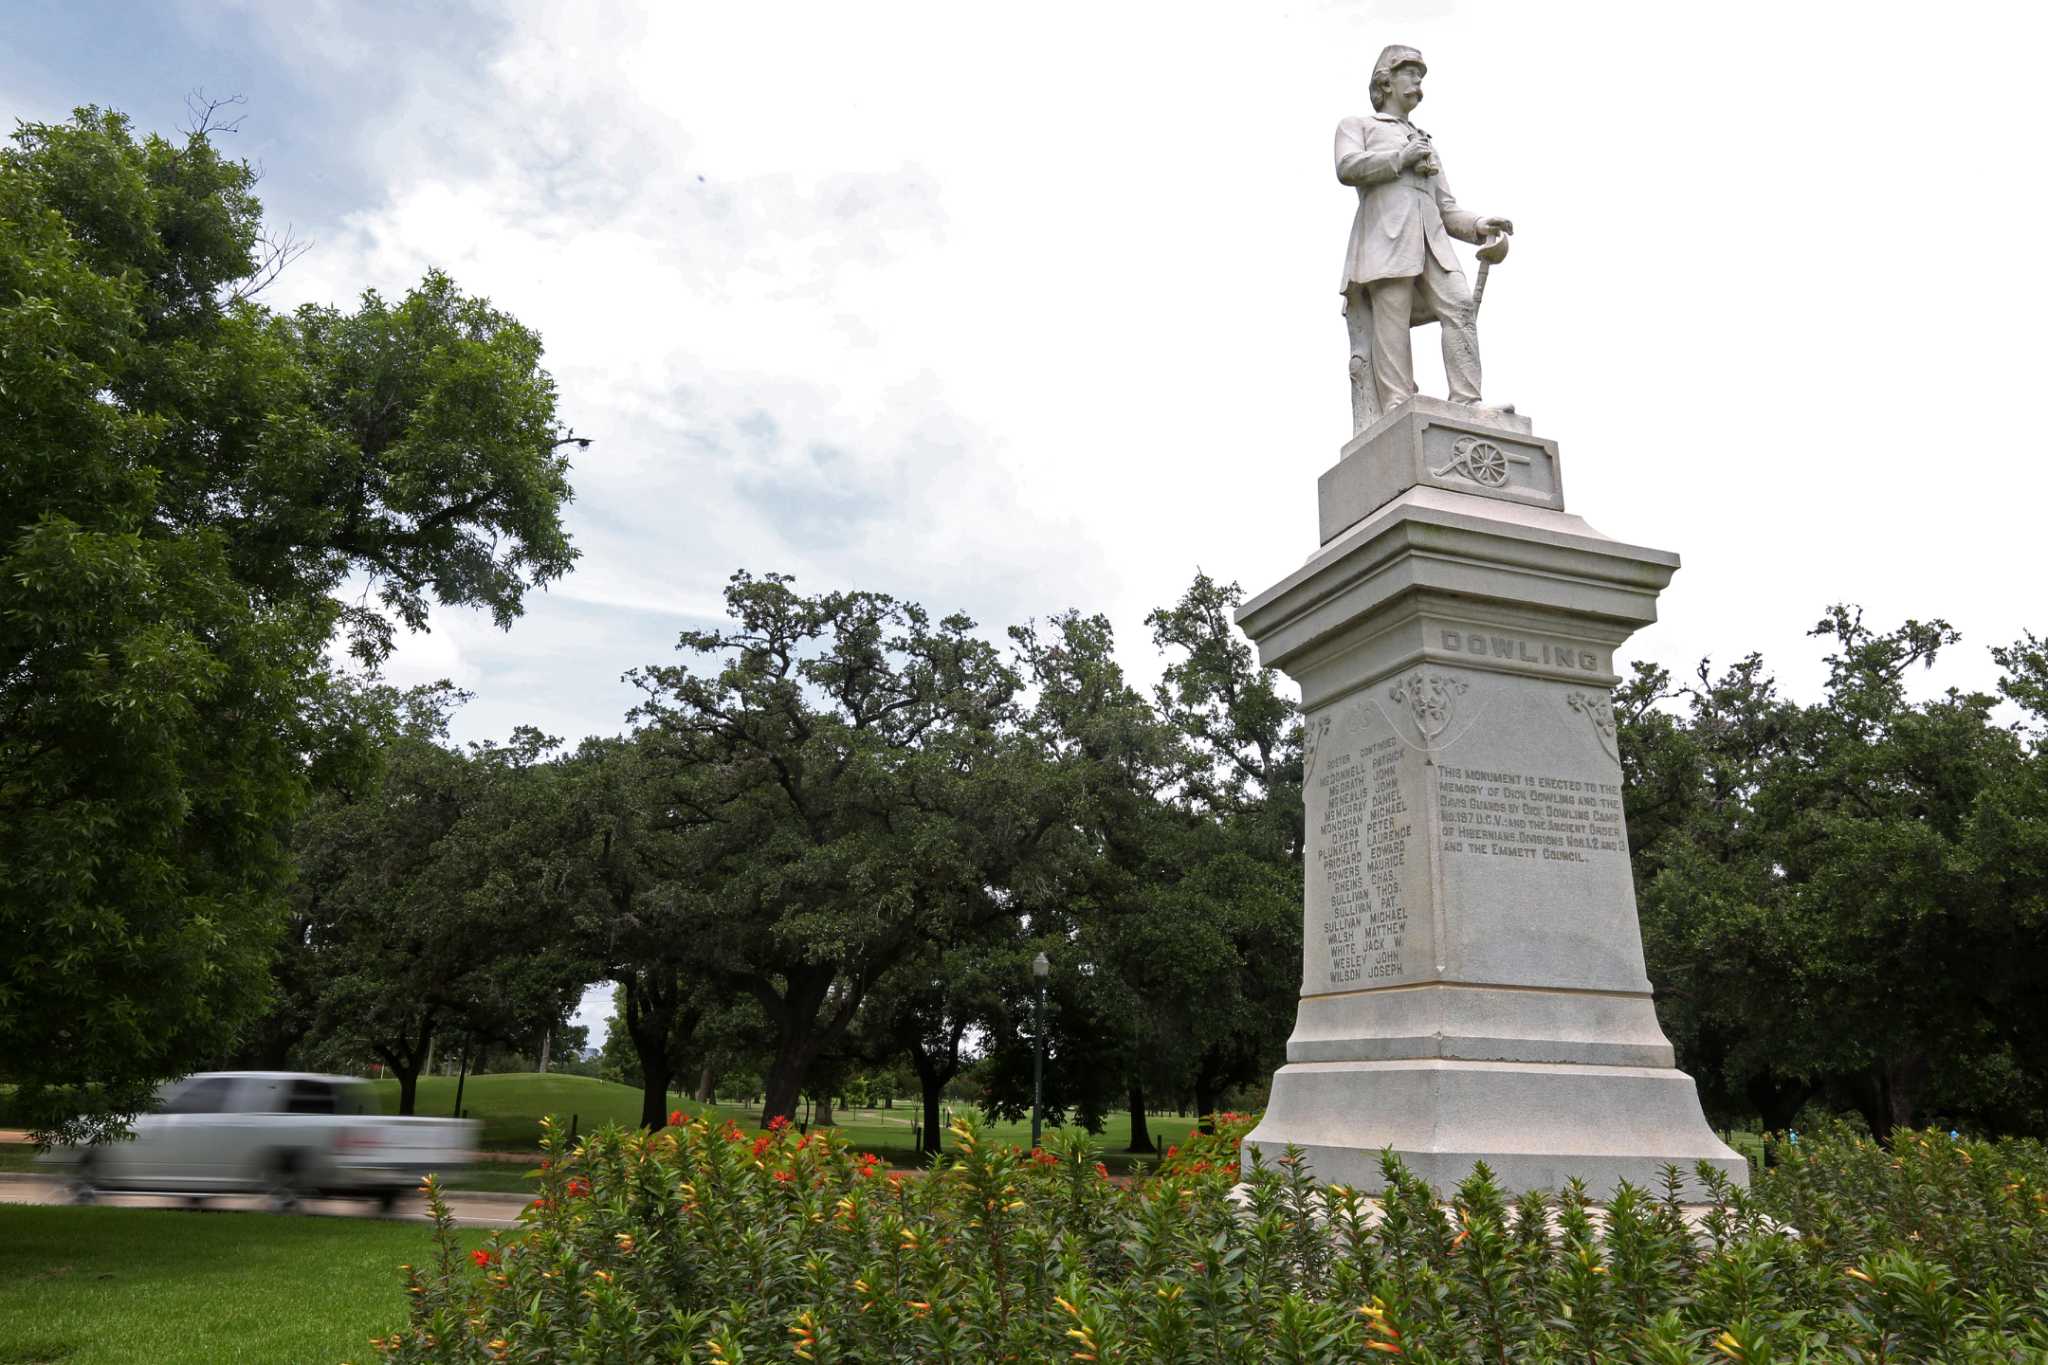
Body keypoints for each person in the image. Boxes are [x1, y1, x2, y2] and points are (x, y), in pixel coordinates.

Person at [1337, 45, 1514, 434]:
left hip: (1432, 241)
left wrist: (1481, 225)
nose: (1418, 82)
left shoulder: (1425, 140)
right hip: (1386, 238)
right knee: (1392, 323)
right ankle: (1398, 407)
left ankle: (1468, 402)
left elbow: (1447, 208)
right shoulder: (1359, 125)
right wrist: (1400, 158)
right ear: (1385, 81)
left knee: (1460, 306)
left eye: (1420, 75)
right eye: (1411, 73)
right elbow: (1347, 167)